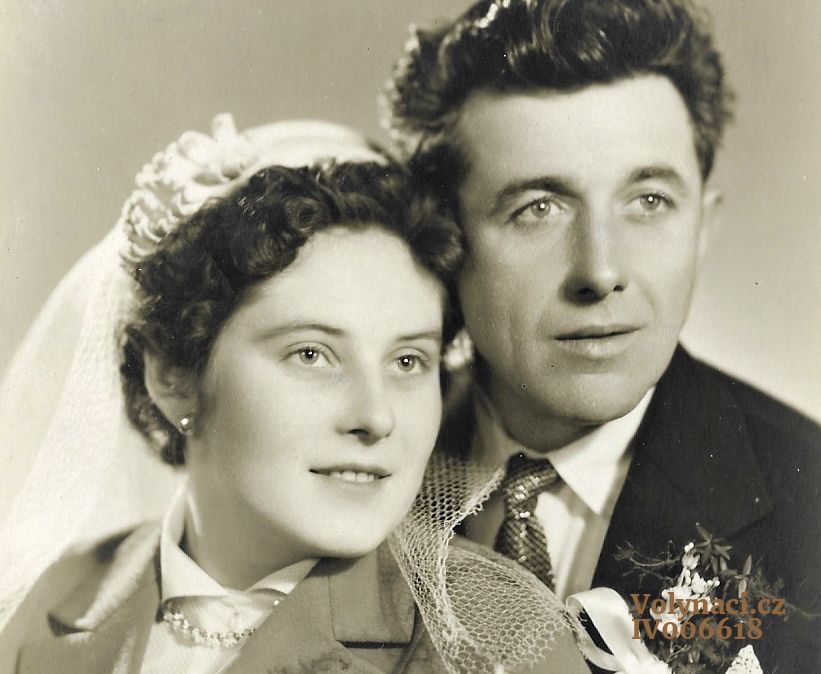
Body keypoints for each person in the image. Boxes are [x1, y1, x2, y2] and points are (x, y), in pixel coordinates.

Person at [0, 115, 587, 674]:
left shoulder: (502, 638)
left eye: (408, 361)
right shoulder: (41, 604)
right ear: (174, 376)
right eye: (311, 354)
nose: (376, 417)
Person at [387, 0, 821, 671]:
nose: (601, 271)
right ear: (447, 238)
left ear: (701, 227)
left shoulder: (809, 500)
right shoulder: (369, 463)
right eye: (538, 208)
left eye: (649, 202)